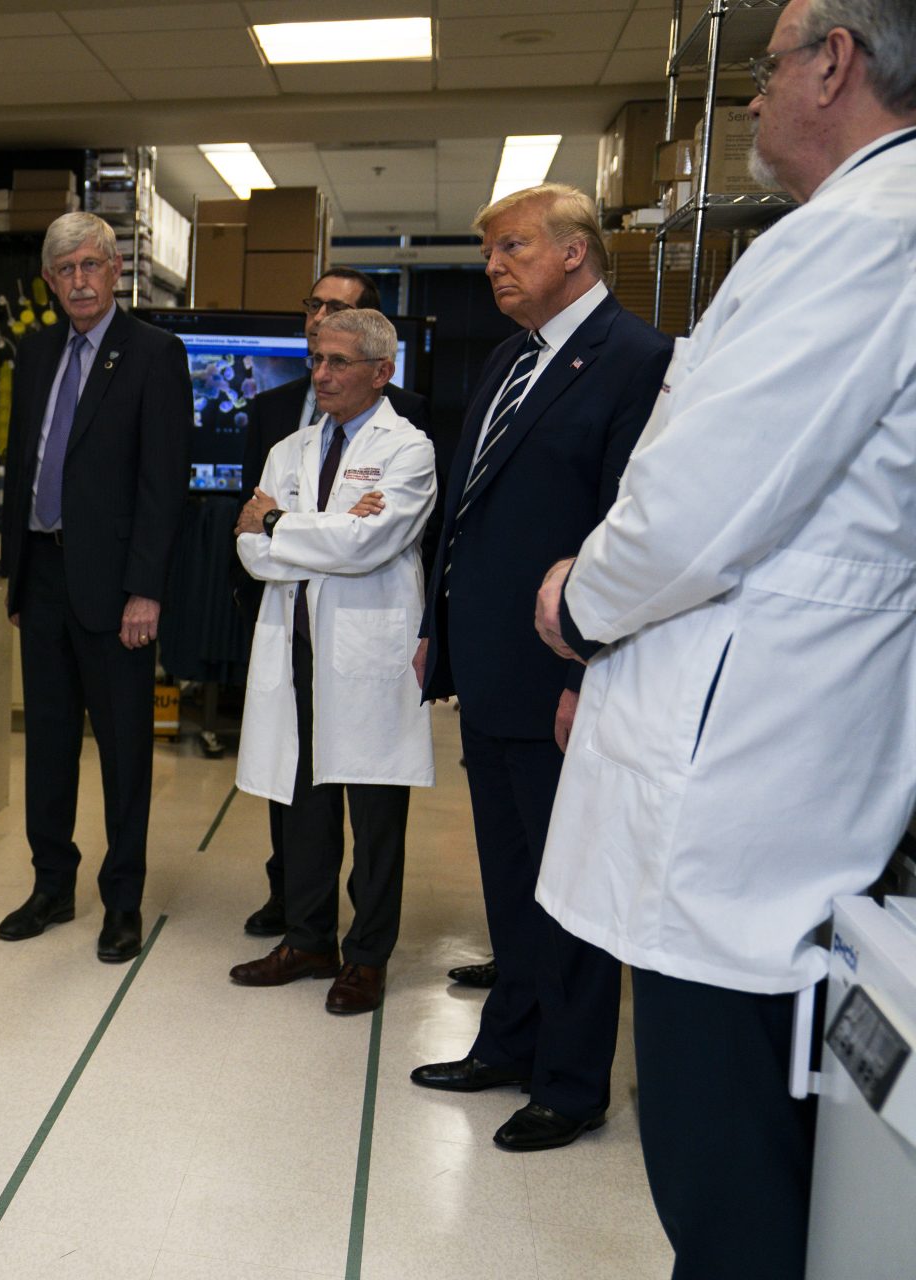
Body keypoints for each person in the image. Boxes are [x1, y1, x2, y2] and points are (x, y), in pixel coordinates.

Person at [533, 1, 916, 1271]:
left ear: (836, 64)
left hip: (745, 799)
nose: (748, 98)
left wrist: (578, 606)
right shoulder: (859, 228)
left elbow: (700, 510)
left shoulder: (868, 233)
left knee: (728, 1174)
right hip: (764, 764)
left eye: (766, 67)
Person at [410, 182, 673, 1153]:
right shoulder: (511, 361)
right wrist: (439, 621)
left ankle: (571, 1080)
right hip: (486, 664)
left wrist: (587, 674)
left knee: (571, 884)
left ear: (575, 252)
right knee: (512, 874)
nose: (495, 265)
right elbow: (469, 507)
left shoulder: (636, 362)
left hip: (565, 676)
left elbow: (626, 531)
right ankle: (510, 1041)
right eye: (489, 252)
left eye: (512, 246)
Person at [228, 309, 437, 1015]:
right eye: (317, 359)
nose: (320, 374)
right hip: (297, 645)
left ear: (382, 372)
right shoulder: (288, 450)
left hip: (368, 653)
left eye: (338, 362)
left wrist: (283, 524)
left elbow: (367, 545)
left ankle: (367, 956)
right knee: (304, 809)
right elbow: (249, 551)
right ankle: (308, 939)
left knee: (375, 814)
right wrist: (320, 532)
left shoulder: (408, 451)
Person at [0, 212, 191, 964]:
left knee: (122, 751)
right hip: (42, 574)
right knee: (45, 744)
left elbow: (162, 483)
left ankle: (123, 901)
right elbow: (25, 463)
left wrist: (147, 590)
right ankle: (52, 885)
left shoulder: (153, 354)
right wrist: (16, 572)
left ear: (115, 272)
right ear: (49, 281)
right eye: (64, 269)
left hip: (115, 589)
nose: (78, 280)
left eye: (90, 265)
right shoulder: (36, 349)